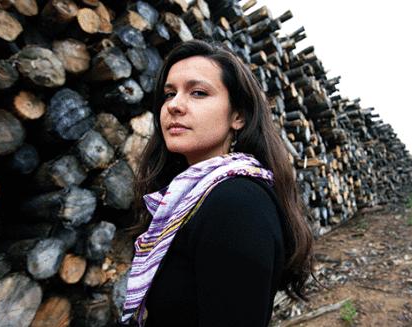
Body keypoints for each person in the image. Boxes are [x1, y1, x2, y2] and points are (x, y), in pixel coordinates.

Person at [122, 39, 314, 327]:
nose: (174, 105)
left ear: (237, 116)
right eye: (169, 93)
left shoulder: (237, 203)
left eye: (198, 92)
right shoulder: (187, 198)